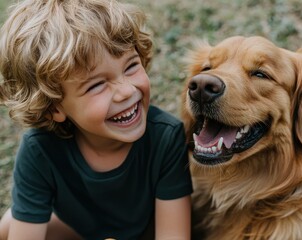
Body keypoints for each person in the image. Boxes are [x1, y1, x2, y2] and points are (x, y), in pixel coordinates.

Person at [0, 0, 193, 239]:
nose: (126, 91)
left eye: (131, 66)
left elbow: (173, 235)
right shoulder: (39, 150)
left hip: (143, 233)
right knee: (8, 225)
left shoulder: (165, 136)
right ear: (52, 108)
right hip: (77, 232)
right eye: (97, 85)